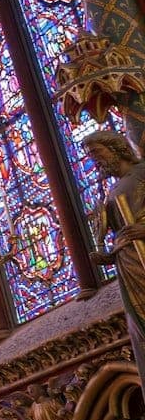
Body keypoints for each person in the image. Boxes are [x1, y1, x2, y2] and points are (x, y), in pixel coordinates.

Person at [86, 130, 145, 347]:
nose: (95, 160)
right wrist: (109, 255)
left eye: (97, 152)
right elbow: (119, 233)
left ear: (116, 148)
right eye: (91, 156)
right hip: (128, 261)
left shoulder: (142, 173)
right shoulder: (111, 191)